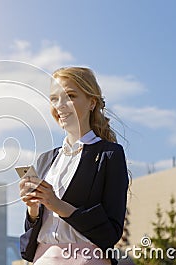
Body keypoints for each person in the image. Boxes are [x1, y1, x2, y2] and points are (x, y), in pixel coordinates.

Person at [19, 67, 129, 265]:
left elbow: (111, 233)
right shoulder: (45, 160)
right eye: (54, 98)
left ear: (92, 103)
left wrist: (57, 205)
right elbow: (30, 236)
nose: (59, 105)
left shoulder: (109, 155)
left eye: (69, 96)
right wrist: (33, 209)